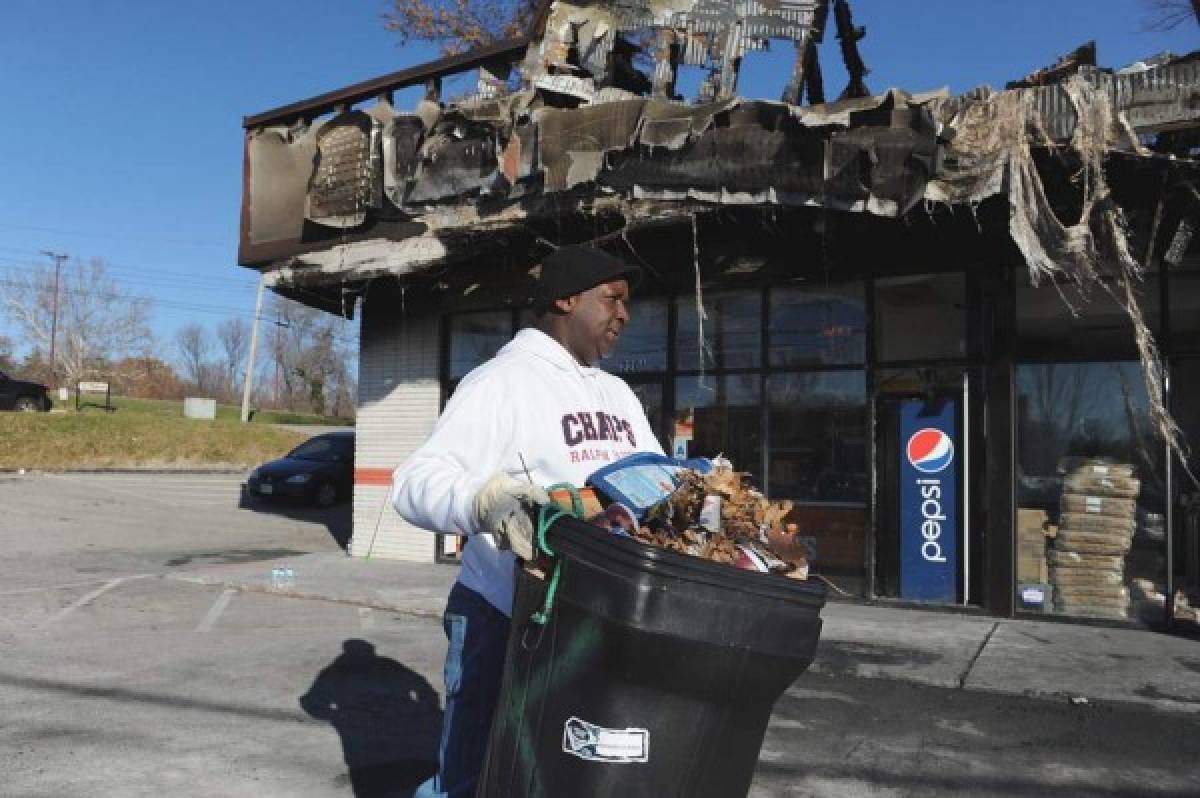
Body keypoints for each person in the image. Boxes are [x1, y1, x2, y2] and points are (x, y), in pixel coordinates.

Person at [391, 244, 665, 798]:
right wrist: (487, 503)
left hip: (589, 621)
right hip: (501, 615)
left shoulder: (618, 395)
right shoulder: (501, 382)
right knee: (468, 779)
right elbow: (413, 482)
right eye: (612, 299)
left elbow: (655, 482)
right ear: (565, 299)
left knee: (550, 775)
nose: (624, 315)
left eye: (626, 303)